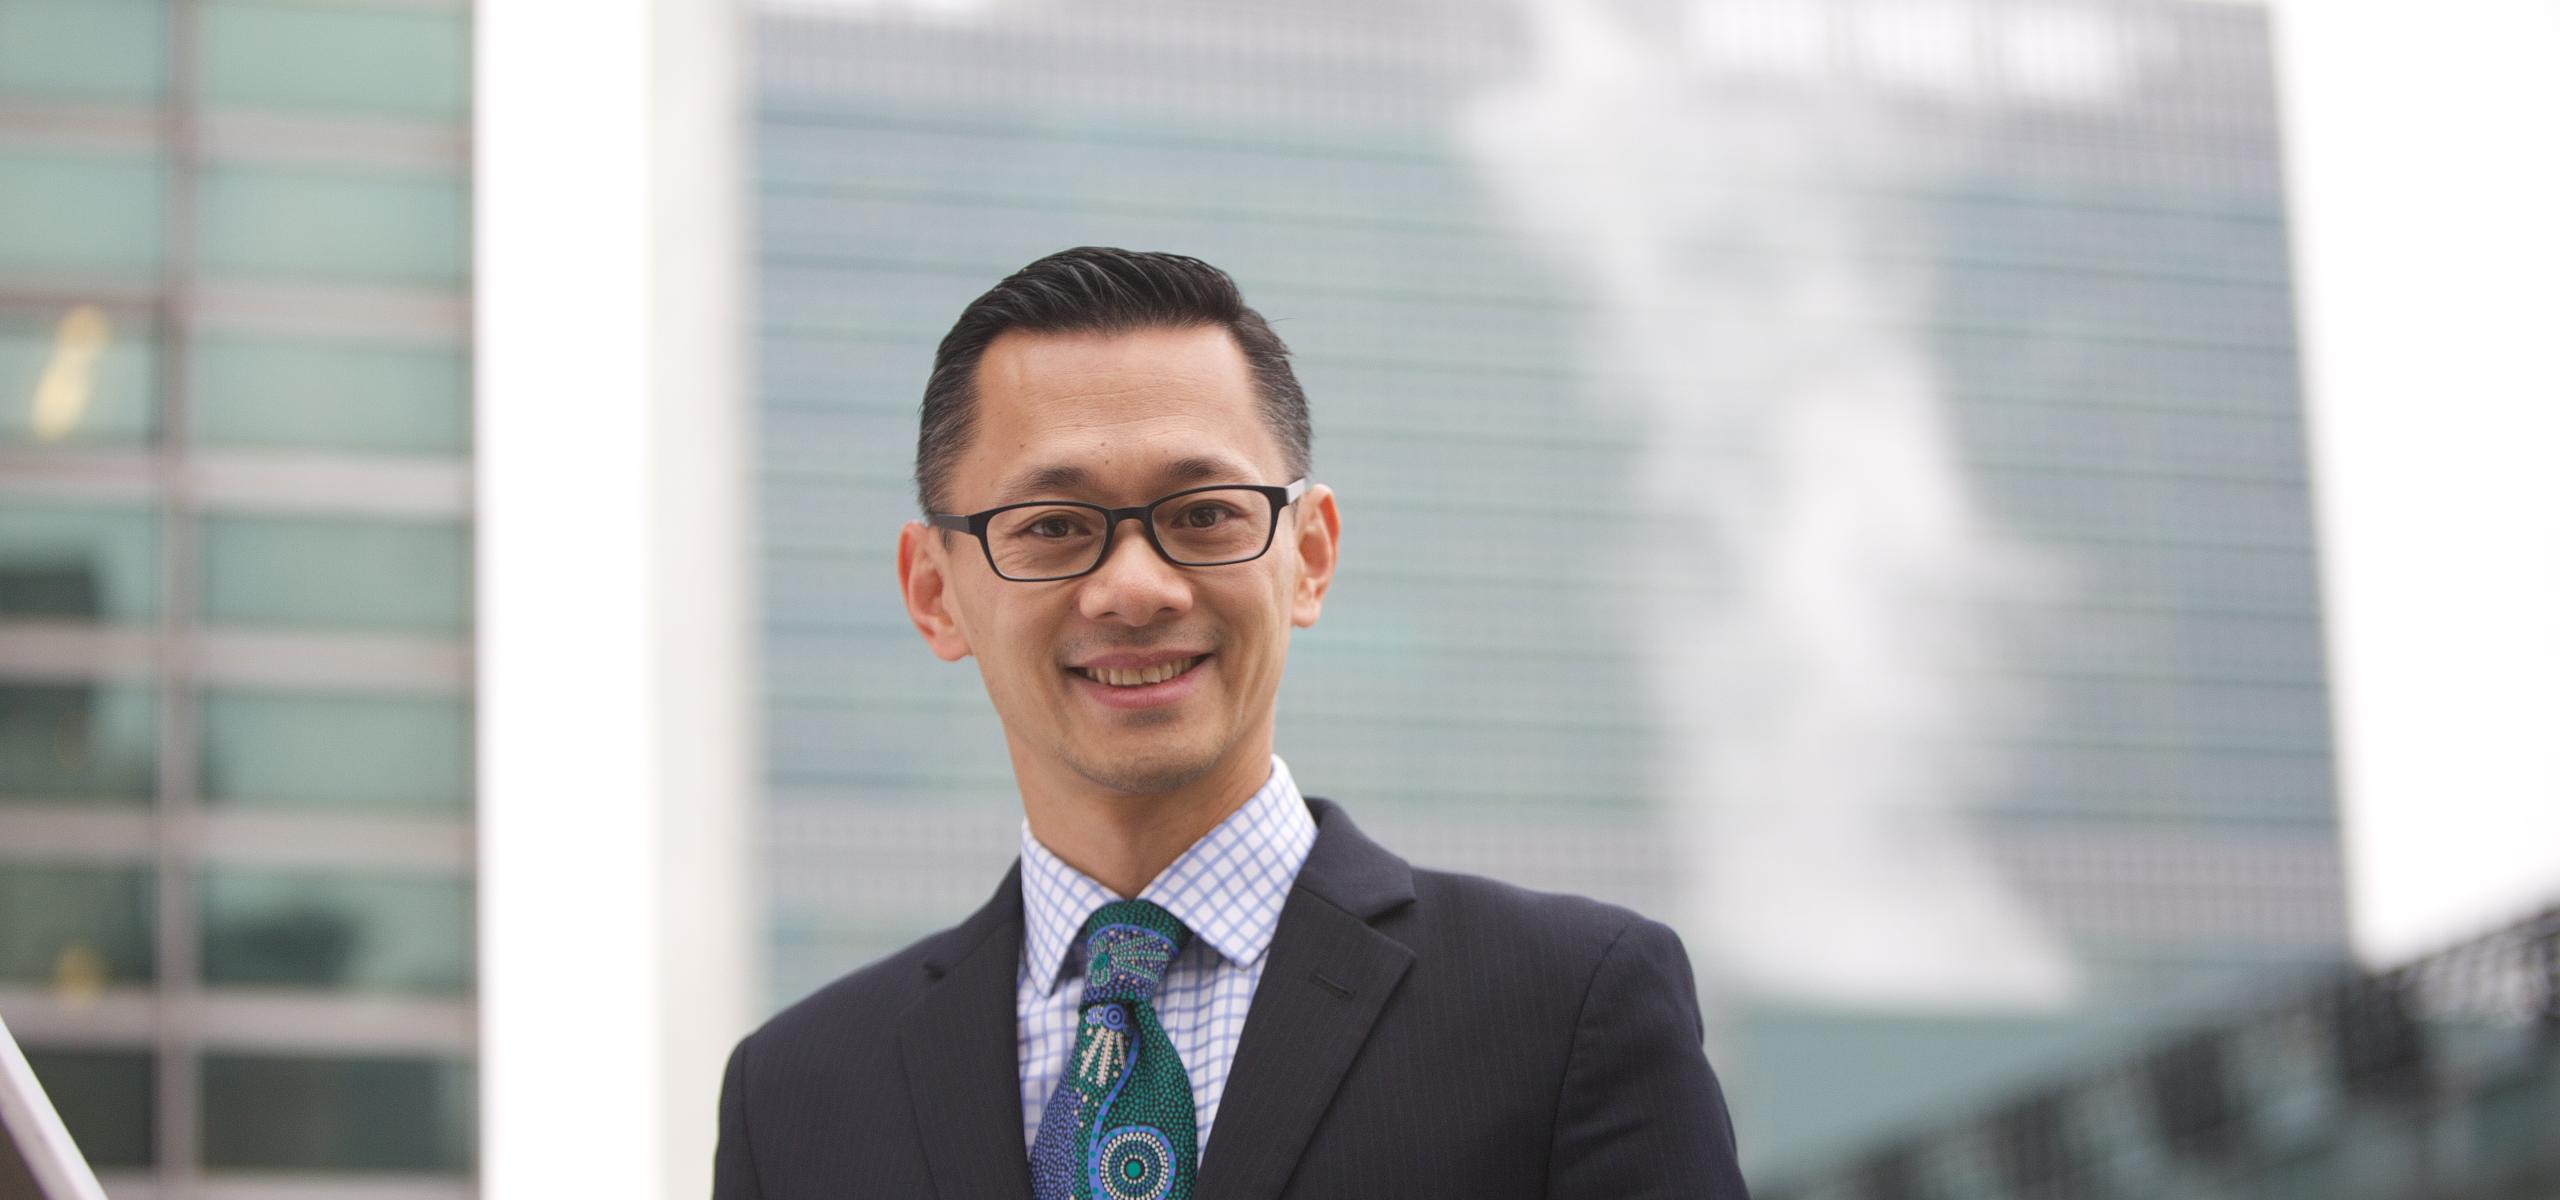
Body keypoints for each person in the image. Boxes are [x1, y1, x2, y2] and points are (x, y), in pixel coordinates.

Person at [712, 247, 1750, 1199]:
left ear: (1308, 555)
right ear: (933, 591)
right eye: (1053, 527)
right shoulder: (797, 1092)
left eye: (1203, 514)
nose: (1133, 587)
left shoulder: (1567, 1006)